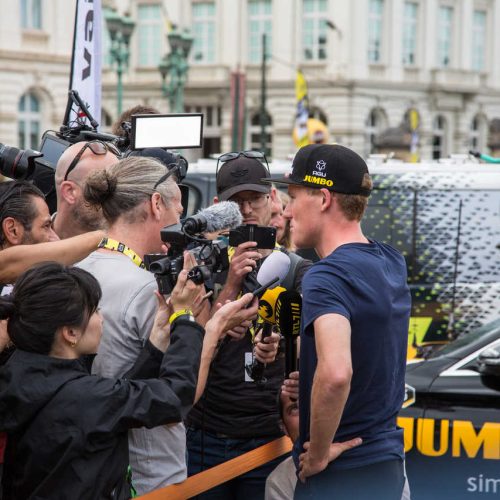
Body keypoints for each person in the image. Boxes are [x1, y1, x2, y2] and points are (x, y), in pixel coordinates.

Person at [0, 261, 258, 499]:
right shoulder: (83, 396)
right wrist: (187, 320)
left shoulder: (19, 374)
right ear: (70, 333)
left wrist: (157, 341)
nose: (102, 319)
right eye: (95, 311)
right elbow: (175, 395)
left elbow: (112, 402)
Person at [271, 144, 411, 499]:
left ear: (322, 198)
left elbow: (336, 374)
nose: (286, 211)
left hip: (342, 471)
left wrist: (317, 454)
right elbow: (370, 348)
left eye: (293, 196)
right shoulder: (390, 260)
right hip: (387, 461)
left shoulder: (327, 276)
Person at [79, 155, 209, 493]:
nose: (180, 223)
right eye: (178, 212)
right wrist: (208, 325)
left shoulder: (75, 270)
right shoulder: (144, 288)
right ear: (156, 204)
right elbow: (180, 392)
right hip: (147, 473)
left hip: (92, 463)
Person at [186, 151, 311, 499]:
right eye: (235, 201)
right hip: (205, 434)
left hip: (267, 436)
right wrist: (228, 286)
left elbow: (314, 343)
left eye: (254, 198)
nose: (246, 210)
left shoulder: (295, 269)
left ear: (271, 199)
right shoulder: (202, 264)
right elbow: (188, 342)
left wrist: (282, 344)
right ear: (217, 205)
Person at [53, 140, 120, 239]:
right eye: (106, 188)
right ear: (69, 192)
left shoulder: (131, 247)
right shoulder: (28, 243)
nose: (119, 198)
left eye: (121, 187)